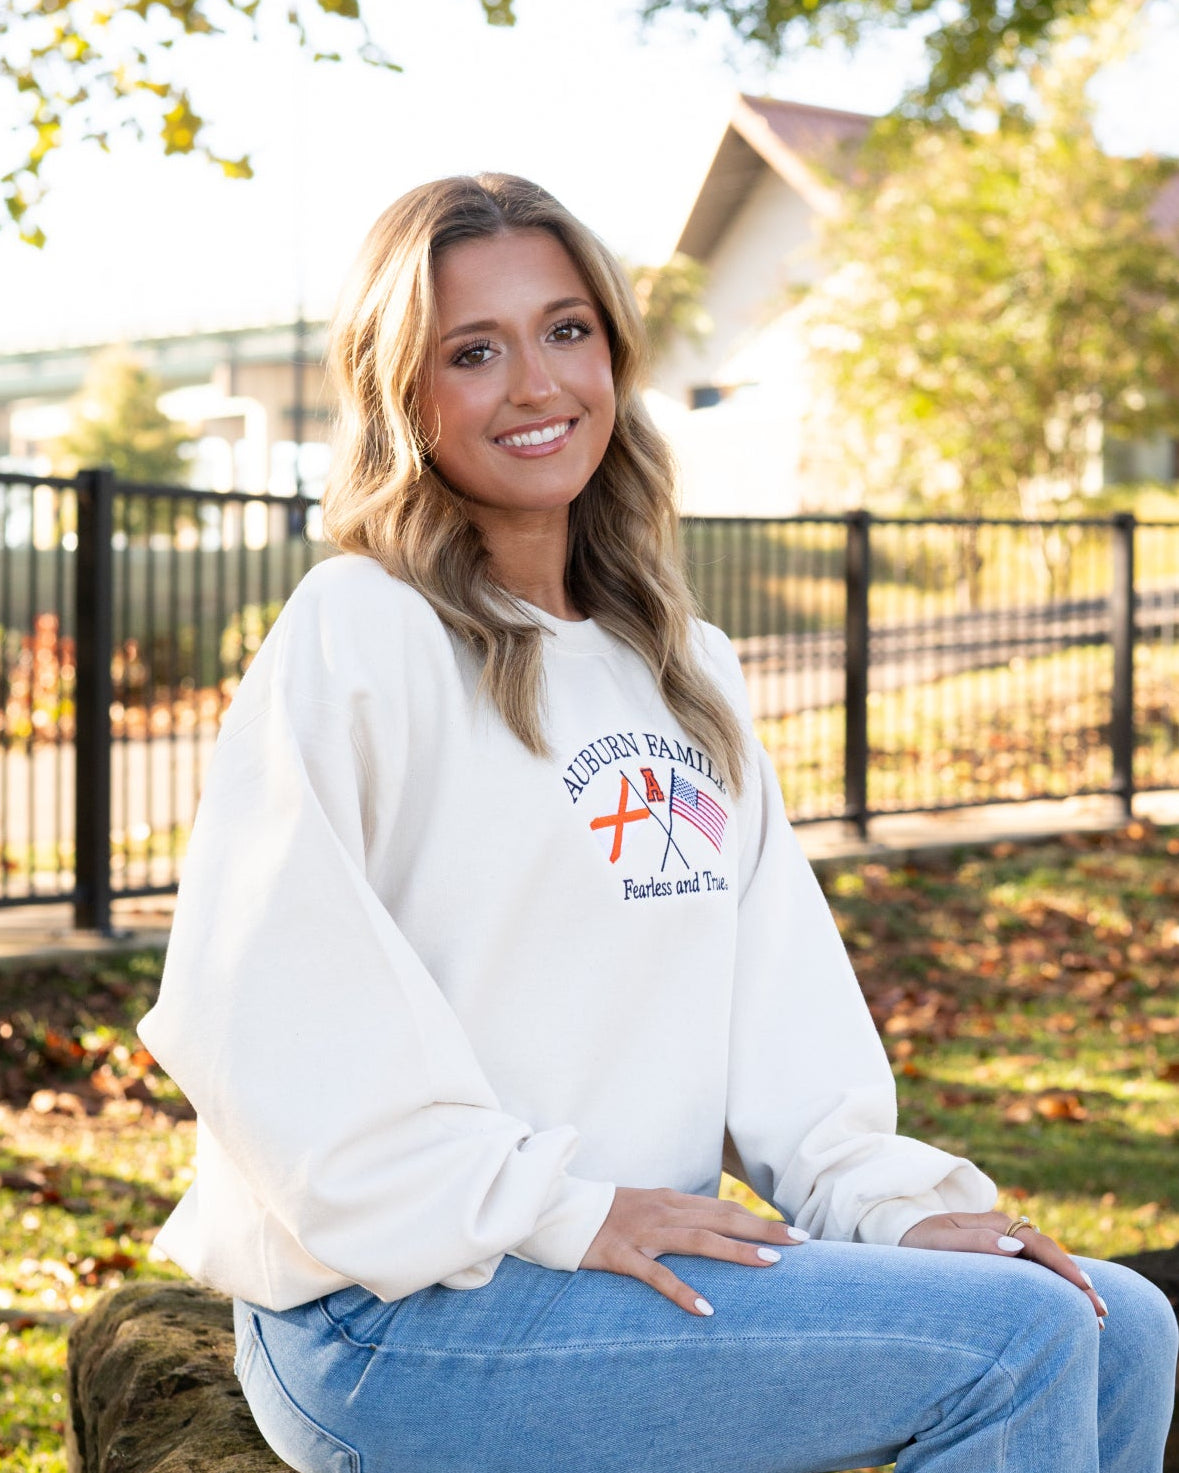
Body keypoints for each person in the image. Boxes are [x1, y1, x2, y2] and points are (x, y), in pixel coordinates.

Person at [136, 173, 1176, 1473]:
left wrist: (902, 1215)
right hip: (394, 1306)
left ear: (615, 358)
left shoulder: (684, 669)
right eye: (474, 350)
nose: (536, 383)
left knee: (1115, 1320)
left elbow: (788, 1036)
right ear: (402, 394)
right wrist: (558, 1208)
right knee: (1015, 1344)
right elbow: (264, 1011)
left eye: (567, 330)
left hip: (615, 1262)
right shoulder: (361, 630)